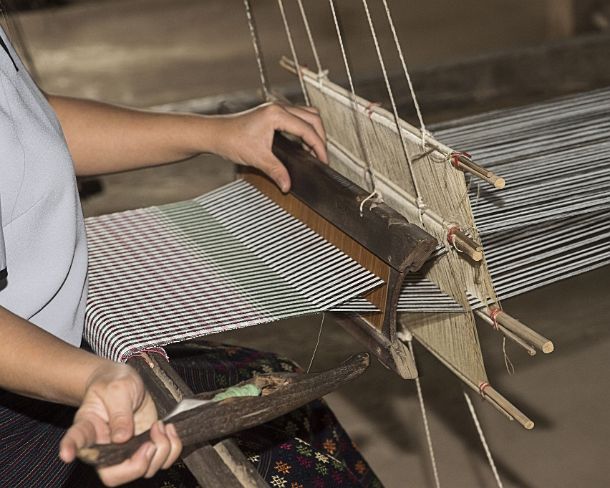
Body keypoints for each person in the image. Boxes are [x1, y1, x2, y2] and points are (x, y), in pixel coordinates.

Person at [0, 23, 381, 488]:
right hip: (23, 406)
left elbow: (29, 127)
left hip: (53, 357)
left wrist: (217, 133)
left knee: (283, 392)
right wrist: (92, 376)